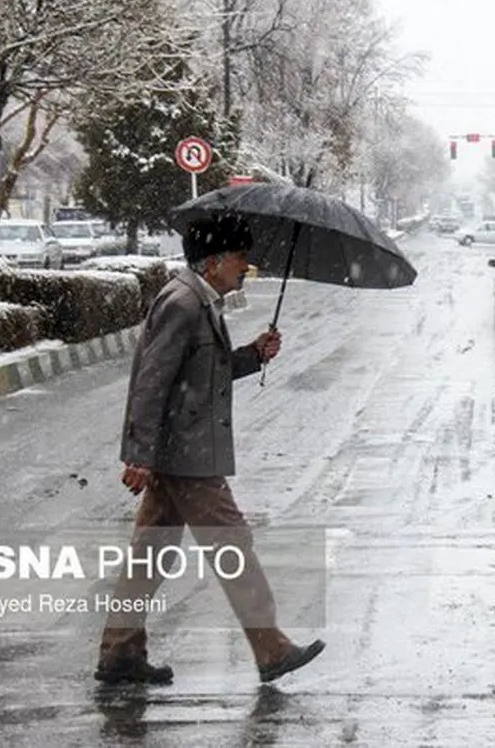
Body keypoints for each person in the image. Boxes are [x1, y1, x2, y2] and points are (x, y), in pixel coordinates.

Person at [95, 212, 325, 686]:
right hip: (186, 453)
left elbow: (203, 374)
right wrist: (138, 454)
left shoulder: (202, 301)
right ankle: (271, 648)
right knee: (232, 546)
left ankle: (120, 655)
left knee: (149, 555)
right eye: (241, 257)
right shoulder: (183, 303)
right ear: (215, 260)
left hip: (181, 449)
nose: (247, 266)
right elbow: (152, 383)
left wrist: (254, 354)